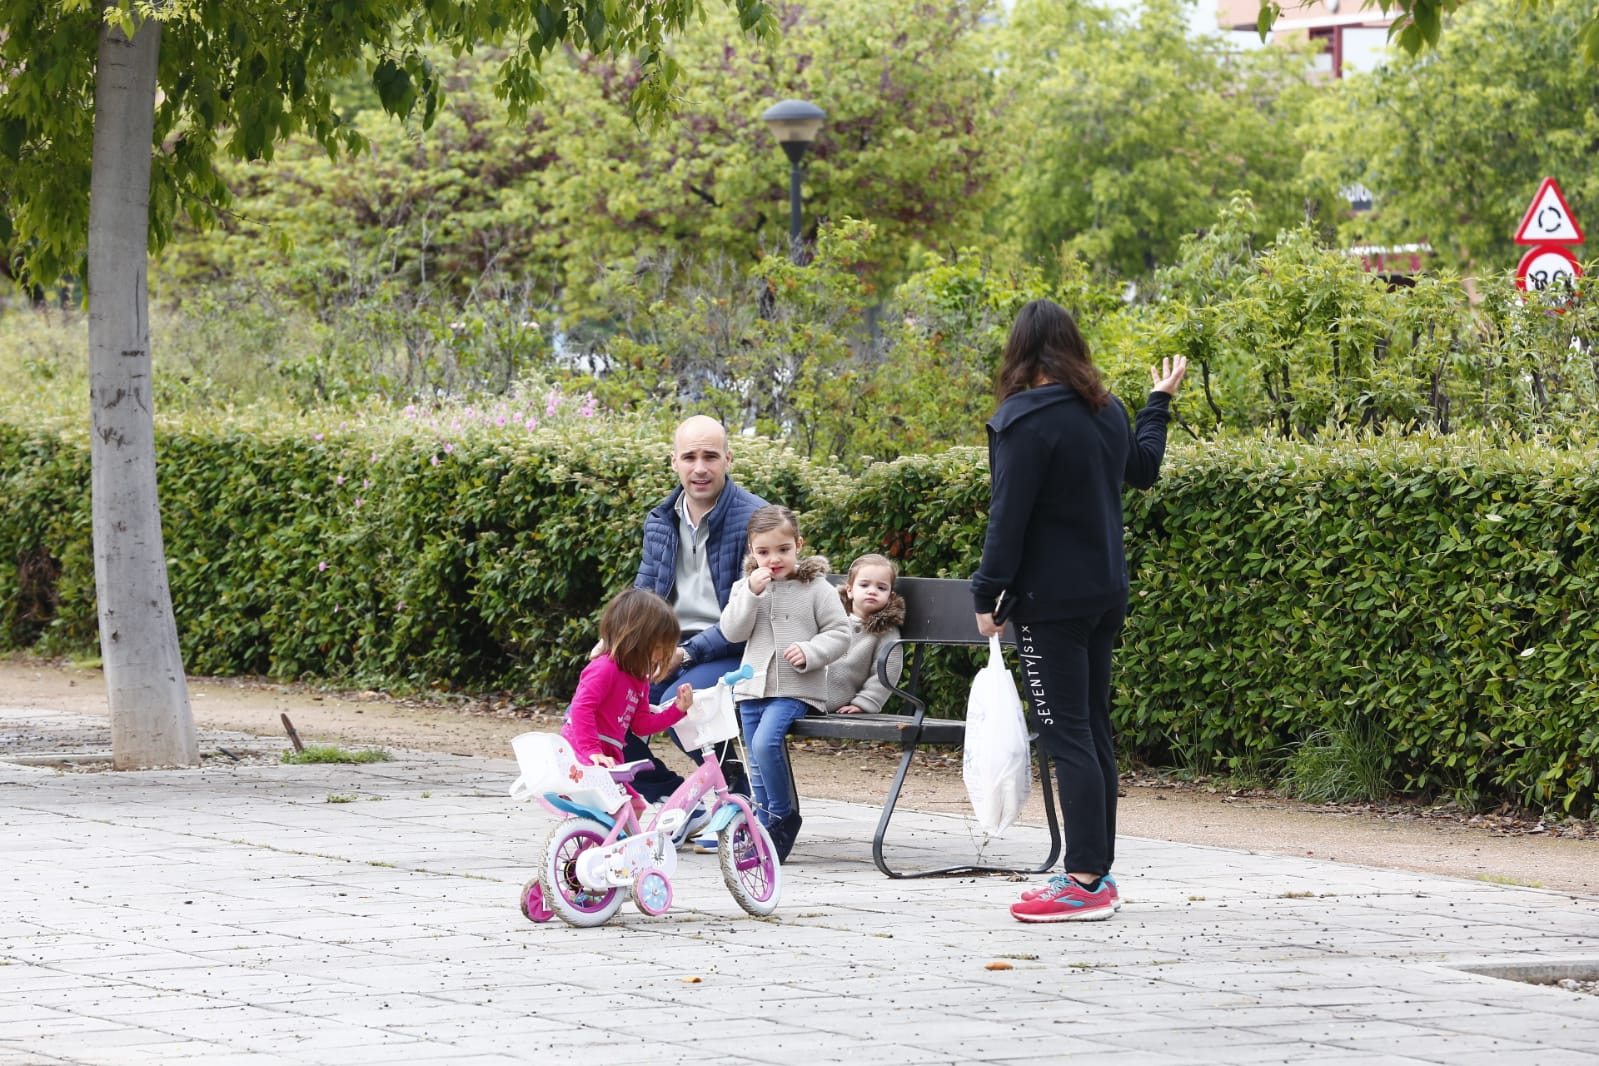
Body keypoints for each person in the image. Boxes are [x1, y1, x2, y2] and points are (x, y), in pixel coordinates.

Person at [970, 298, 1187, 924]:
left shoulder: (1022, 420)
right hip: (1104, 595)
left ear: (1020, 351)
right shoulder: (1105, 410)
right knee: (1091, 730)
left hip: (1050, 603)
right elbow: (1143, 470)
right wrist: (1157, 402)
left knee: (1068, 735)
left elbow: (1006, 518)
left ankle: (1085, 880)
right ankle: (1098, 872)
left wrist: (987, 595)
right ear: (1072, 347)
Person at [623, 415, 764, 817]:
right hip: (667, 650)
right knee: (601, 706)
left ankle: (736, 787)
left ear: (728, 459)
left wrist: (684, 655)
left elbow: (754, 617)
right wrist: (617, 642)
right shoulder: (660, 519)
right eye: (689, 457)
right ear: (674, 462)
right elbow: (644, 593)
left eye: (710, 457)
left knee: (677, 701)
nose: (699, 468)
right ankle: (675, 797)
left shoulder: (756, 519)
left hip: (735, 650)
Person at [720, 505, 851, 861]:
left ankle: (782, 817)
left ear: (798, 545)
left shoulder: (816, 588)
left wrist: (811, 651)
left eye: (783, 550)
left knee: (765, 742)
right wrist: (749, 592)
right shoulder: (744, 587)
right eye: (763, 552)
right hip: (751, 688)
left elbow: (841, 633)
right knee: (756, 761)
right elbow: (732, 632)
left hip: (795, 687)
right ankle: (762, 827)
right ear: (751, 550)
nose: (773, 559)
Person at [561, 589, 695, 820]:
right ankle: (594, 851)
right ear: (635, 638)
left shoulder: (638, 680)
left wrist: (677, 711)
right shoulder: (605, 668)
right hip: (585, 749)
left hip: (610, 753)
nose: (660, 656)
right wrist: (592, 751)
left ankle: (608, 851)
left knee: (635, 806)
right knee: (610, 810)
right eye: (658, 647)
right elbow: (581, 708)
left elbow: (641, 725)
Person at [824, 553, 906, 715]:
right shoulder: (829, 618)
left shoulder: (885, 632)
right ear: (850, 591)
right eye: (864, 585)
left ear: (890, 597)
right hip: (804, 692)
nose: (872, 591)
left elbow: (886, 672)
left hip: (838, 700)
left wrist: (864, 703)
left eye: (881, 588)